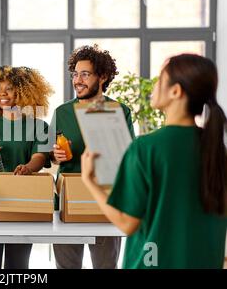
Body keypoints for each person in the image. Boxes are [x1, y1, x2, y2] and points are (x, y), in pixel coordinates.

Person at [81, 54, 227, 269]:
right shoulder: (217, 150)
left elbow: (127, 223)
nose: (154, 86)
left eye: (160, 79)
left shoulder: (146, 148)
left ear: (176, 91)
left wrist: (89, 181)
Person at [51, 45, 135, 269]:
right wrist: (56, 155)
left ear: (103, 77)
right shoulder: (61, 112)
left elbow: (128, 157)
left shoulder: (119, 110)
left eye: (85, 74)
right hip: (68, 199)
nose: (78, 80)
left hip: (105, 201)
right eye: (75, 74)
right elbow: (50, 156)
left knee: (105, 266)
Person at [0, 65, 53, 269]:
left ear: (23, 92)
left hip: (22, 203)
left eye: (10, 88)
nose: (2, 94)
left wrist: (28, 168)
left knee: (18, 266)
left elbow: (39, 158)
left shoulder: (39, 126)